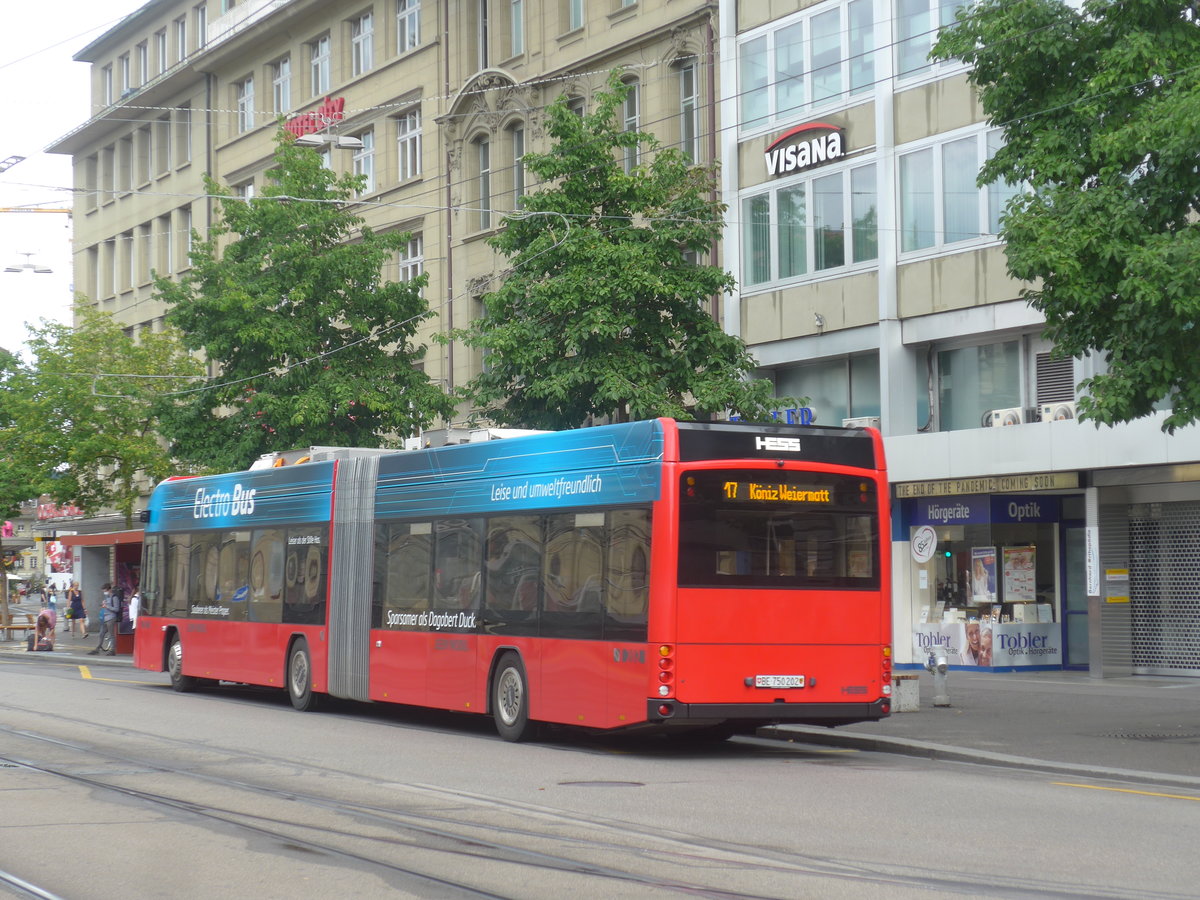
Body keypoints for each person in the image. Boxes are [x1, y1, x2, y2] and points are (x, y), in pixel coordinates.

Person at [88, 583, 119, 656]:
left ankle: (112, 650)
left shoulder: (114, 597)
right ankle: (97, 648)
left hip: (111, 618)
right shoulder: (106, 597)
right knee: (101, 633)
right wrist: (103, 605)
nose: (104, 592)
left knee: (111, 635)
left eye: (105, 590)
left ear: (109, 589)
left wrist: (107, 606)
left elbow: (116, 609)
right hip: (105, 618)